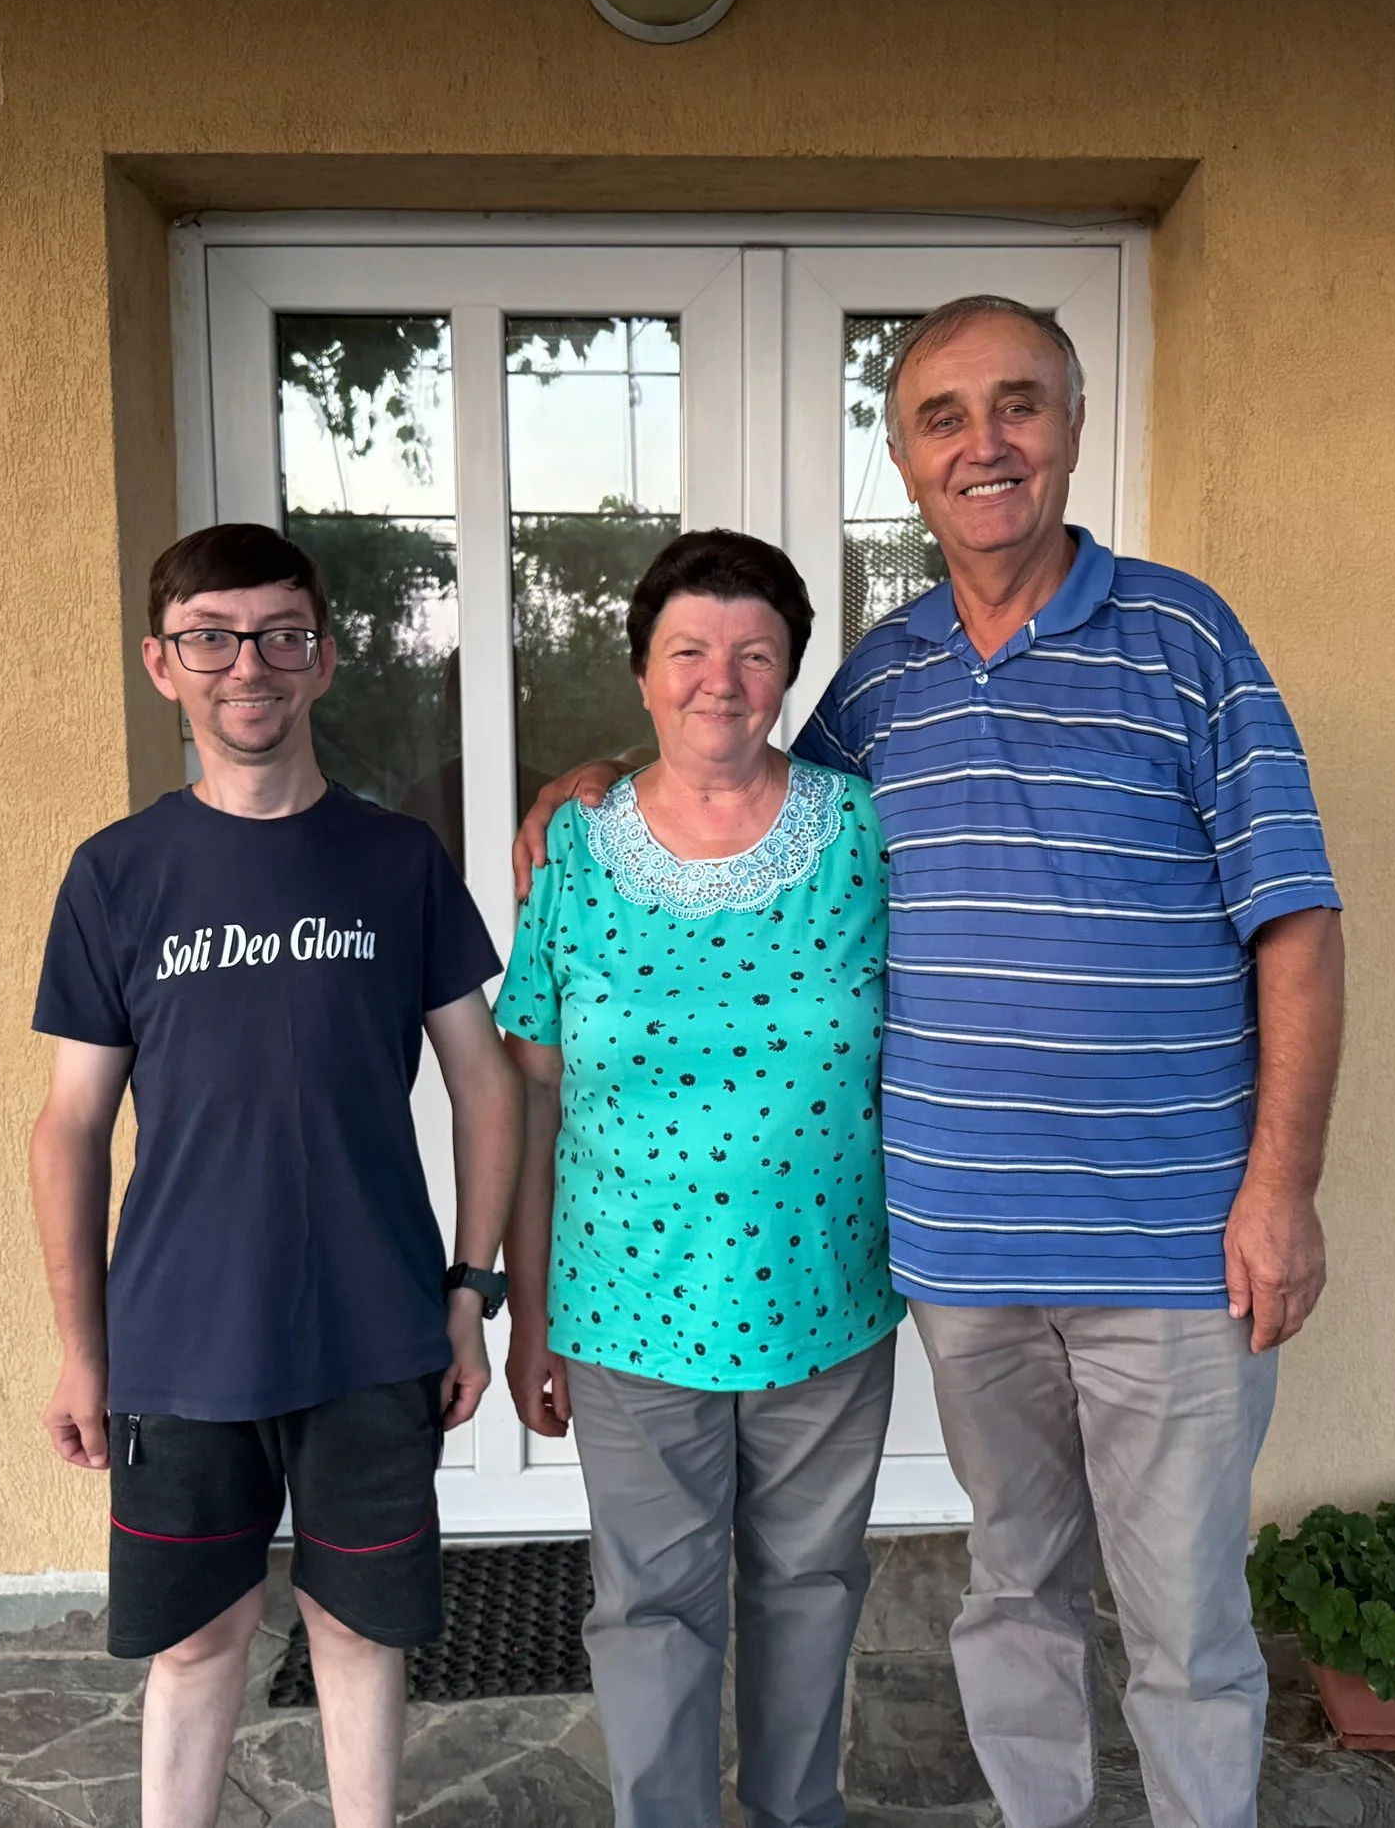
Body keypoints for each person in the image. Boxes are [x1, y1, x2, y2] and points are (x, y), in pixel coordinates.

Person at [514, 299, 1346, 1828]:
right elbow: (734, 780)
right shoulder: (885, 682)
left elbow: (1294, 921)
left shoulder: (1186, 638)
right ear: (903, 459)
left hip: (1173, 1247)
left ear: (1073, 427)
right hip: (963, 1255)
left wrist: (1280, 1184)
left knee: (1185, 1624)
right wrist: (589, 789)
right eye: (945, 416)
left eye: (1018, 405)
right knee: (1014, 1591)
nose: (986, 443)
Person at [29, 523, 522, 1828]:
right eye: (211, 635)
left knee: (360, 1634)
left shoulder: (399, 861)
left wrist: (467, 1290)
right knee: (198, 1642)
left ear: (324, 659)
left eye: (280, 634)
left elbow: (488, 1079)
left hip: (370, 1331)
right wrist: (87, 1350)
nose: (246, 664)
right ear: (162, 662)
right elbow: (72, 1124)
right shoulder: (117, 875)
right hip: (182, 1337)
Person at [496, 529, 904, 1828]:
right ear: (641, 671)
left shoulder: (863, 835)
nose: (718, 678)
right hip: (627, 1307)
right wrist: (530, 1310)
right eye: (688, 650)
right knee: (650, 1609)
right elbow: (534, 1092)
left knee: (812, 1587)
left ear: (789, 671)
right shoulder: (575, 851)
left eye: (753, 651)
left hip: (828, 1294)